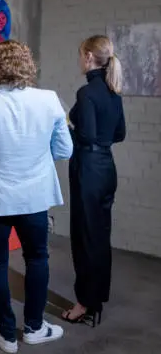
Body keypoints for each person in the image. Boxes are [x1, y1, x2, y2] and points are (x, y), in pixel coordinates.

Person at [0, 40, 72, 353]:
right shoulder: (49, 100)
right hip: (34, 196)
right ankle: (34, 328)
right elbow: (65, 149)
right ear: (27, 66)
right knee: (37, 258)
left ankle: (6, 335)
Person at [61, 35, 126, 326]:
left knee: (84, 237)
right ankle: (96, 298)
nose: (79, 61)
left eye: (80, 56)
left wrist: (65, 126)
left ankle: (84, 303)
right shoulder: (113, 92)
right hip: (107, 168)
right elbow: (120, 134)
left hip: (88, 169)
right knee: (100, 236)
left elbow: (84, 136)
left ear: (88, 57)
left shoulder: (87, 93)